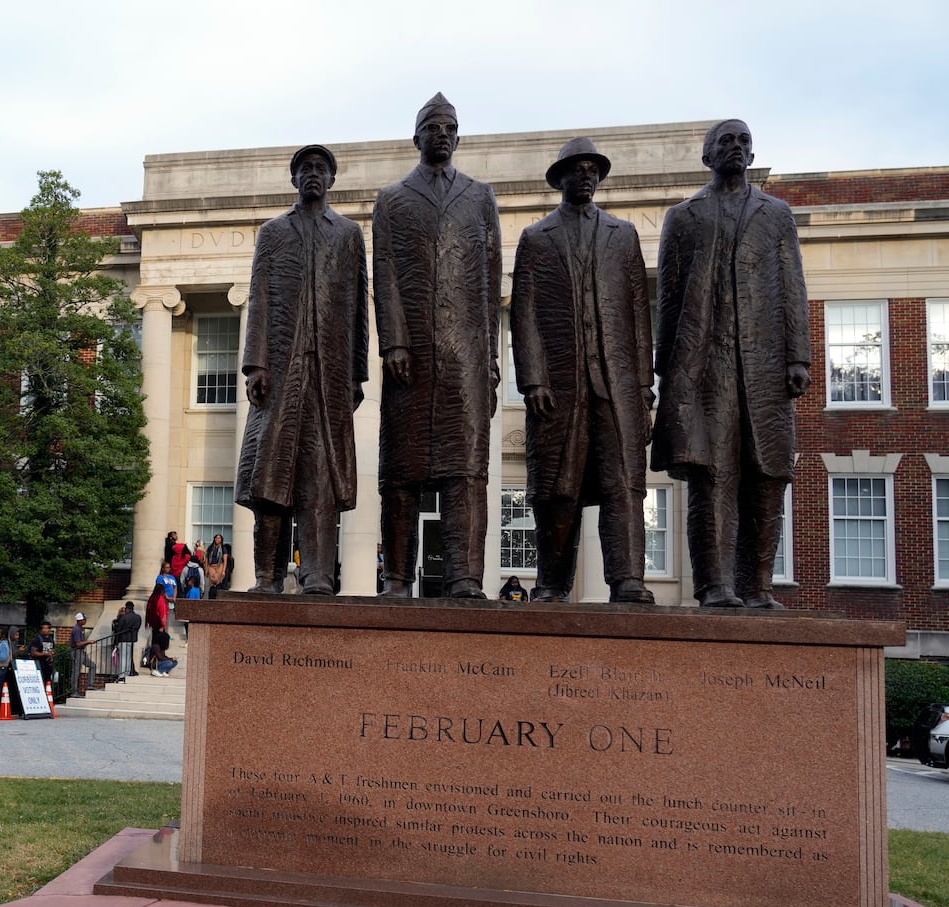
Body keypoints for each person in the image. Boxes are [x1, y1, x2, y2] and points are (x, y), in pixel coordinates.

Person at [652, 119, 811, 609]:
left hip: (765, 368)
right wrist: (666, 369)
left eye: (743, 141)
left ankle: (757, 587)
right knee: (712, 476)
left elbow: (792, 286)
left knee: (767, 475)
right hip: (706, 369)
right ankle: (715, 585)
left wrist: (798, 355)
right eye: (726, 141)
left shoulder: (776, 214)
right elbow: (669, 296)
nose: (736, 148)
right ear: (707, 156)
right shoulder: (684, 216)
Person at [512, 136, 656, 605]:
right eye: (578, 168)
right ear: (561, 178)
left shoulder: (623, 235)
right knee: (557, 489)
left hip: (617, 388)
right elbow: (525, 312)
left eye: (593, 168)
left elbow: (638, 314)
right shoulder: (536, 238)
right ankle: (552, 583)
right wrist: (532, 378)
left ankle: (627, 579)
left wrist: (643, 388)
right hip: (558, 387)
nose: (587, 175)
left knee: (624, 484)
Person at [375, 92, 502, 600]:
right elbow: (384, 273)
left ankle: (465, 577)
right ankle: (396, 578)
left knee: (466, 472)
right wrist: (393, 343)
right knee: (400, 473)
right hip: (412, 357)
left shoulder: (480, 195)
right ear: (417, 136)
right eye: (433, 126)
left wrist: (490, 356)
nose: (443, 134)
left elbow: (491, 282)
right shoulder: (393, 198)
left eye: (450, 127)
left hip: (464, 356)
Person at [236, 143, 369, 595]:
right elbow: (259, 298)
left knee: (320, 475)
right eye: (305, 169)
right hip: (280, 373)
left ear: (332, 179)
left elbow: (357, 309)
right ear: (294, 179)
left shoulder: (348, 234)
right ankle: (267, 576)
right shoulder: (273, 233)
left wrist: (356, 374)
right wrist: (255, 365)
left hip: (328, 377)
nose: (313, 175)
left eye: (321, 169)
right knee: (270, 474)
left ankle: (317, 574)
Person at [112, 601, 142, 677]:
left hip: (123, 639)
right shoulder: (138, 617)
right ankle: (128, 674)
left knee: (123, 658)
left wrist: (116, 642)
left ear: (127, 608)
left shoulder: (124, 617)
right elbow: (137, 628)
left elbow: (118, 630)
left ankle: (122, 676)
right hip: (132, 640)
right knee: (129, 658)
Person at [31, 621, 57, 688]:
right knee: (40, 681)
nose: (45, 630)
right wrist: (45, 654)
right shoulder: (38, 639)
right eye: (43, 628)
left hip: (48, 665)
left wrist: (52, 655)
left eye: (46, 628)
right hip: (40, 664)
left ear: (49, 629)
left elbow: (53, 649)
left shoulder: (51, 639)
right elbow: (33, 652)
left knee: (48, 681)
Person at [204, 535, 230, 599]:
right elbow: (207, 559)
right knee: (212, 580)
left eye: (219, 538)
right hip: (211, 566)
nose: (217, 539)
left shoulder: (223, 549)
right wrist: (206, 569)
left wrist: (223, 571)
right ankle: (211, 596)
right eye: (216, 538)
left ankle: (217, 594)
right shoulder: (210, 548)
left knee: (217, 580)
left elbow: (225, 560)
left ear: (221, 540)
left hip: (219, 565)